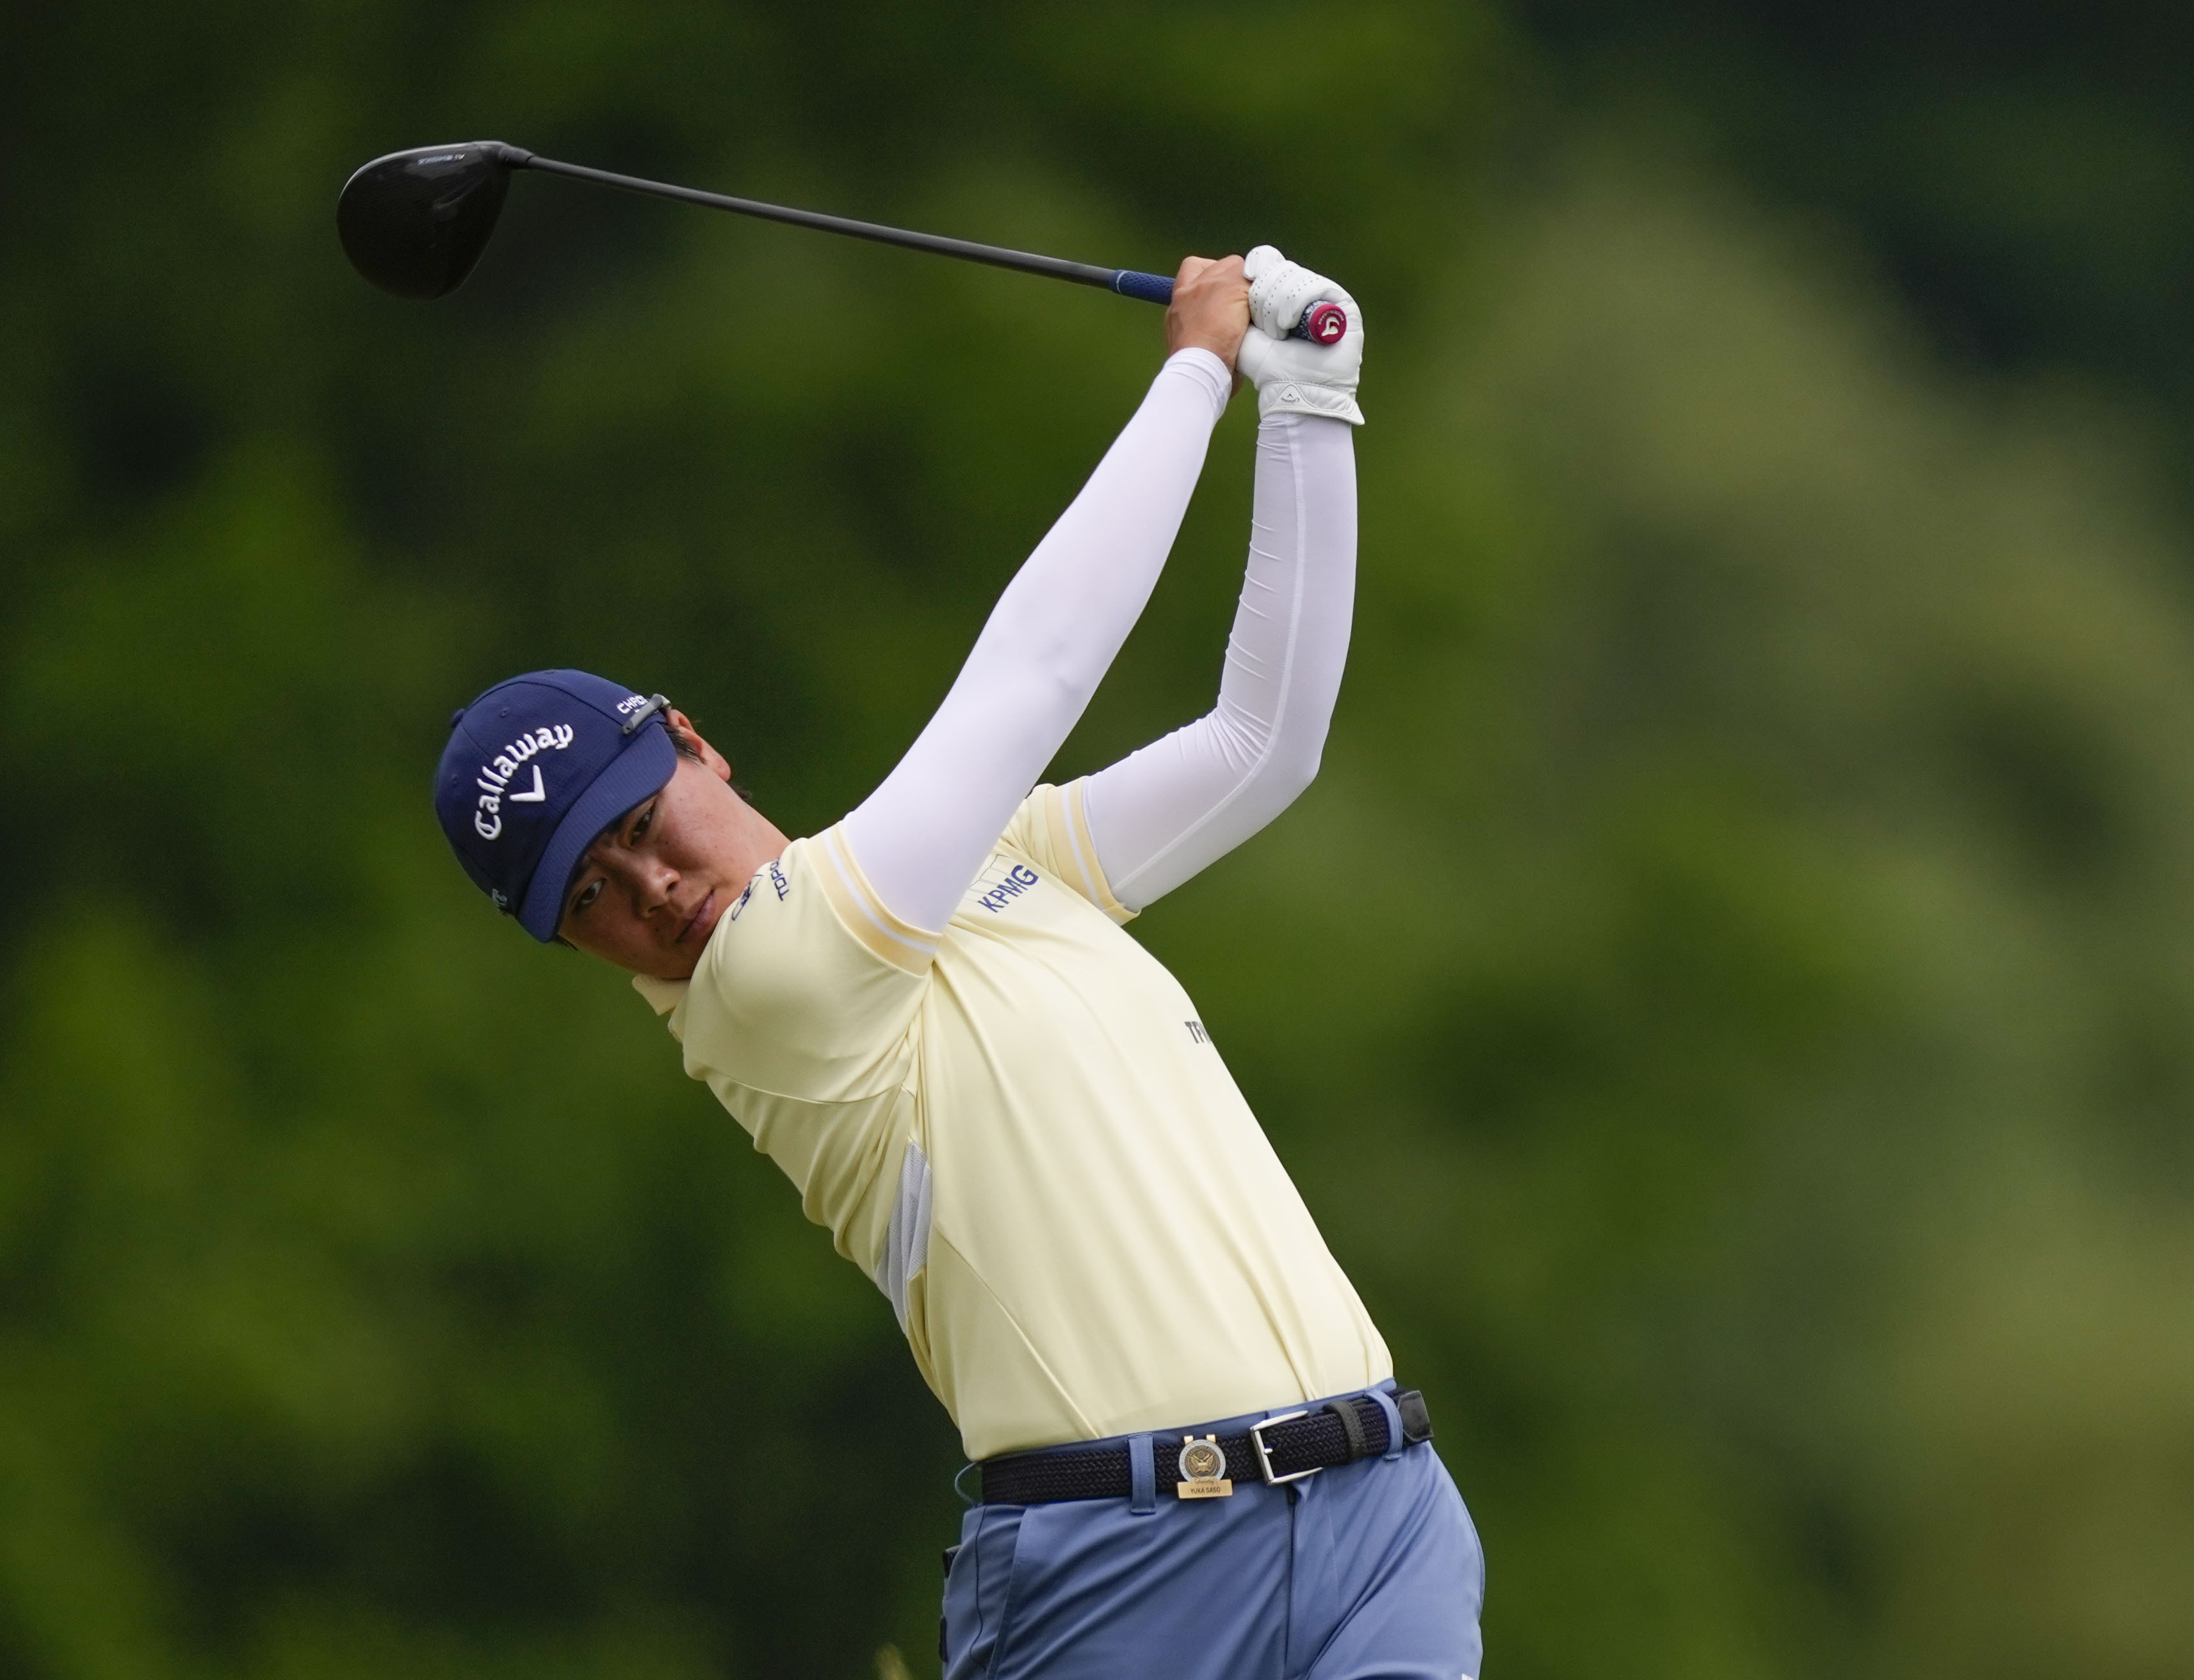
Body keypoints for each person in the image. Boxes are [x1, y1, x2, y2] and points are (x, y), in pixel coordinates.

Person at [434, 248, 1484, 1679]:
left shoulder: (993, 868)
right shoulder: (767, 992)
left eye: (636, 826)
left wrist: (1308, 403)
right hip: (1119, 1573)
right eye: (592, 898)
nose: (654, 889)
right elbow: (1034, 675)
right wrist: (1194, 368)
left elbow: (1262, 743)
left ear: (691, 741)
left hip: (1380, 1511)